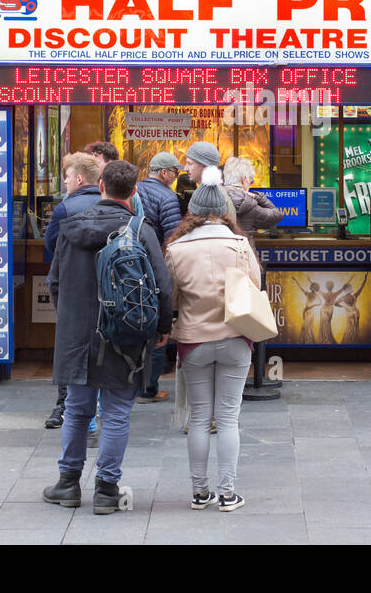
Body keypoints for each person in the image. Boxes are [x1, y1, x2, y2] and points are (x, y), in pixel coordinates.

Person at [43, 160, 173, 513]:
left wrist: (69, 319)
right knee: (115, 414)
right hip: (125, 335)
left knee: (76, 409)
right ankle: (106, 489)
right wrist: (162, 328)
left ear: (100, 185)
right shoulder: (141, 230)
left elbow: (54, 282)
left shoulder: (71, 229)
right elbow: (162, 287)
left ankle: (67, 484)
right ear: (134, 192)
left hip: (77, 336)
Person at [164, 166, 261, 512]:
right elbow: (255, 287)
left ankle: (199, 492)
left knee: (201, 418)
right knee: (229, 416)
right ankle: (227, 492)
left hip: (194, 341)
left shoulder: (176, 249)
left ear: (192, 210)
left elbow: (171, 299)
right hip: (236, 337)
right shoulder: (239, 244)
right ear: (223, 210)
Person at [42, 153, 104, 429]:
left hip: (72, 289)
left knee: (71, 349)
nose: (65, 182)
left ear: (79, 178)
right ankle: (98, 407)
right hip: (105, 290)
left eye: (67, 177)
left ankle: (68, 408)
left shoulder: (64, 210)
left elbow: (52, 246)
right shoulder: (112, 205)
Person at [135, 152, 185, 403]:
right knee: (156, 329)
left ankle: (130, 383)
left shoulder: (133, 190)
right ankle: (148, 388)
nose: (176, 178)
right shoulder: (167, 197)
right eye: (175, 173)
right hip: (153, 268)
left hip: (129, 268)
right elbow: (172, 239)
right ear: (164, 173)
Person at [221, 157, 283, 247]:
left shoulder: (215, 197)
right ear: (244, 179)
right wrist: (259, 197)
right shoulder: (249, 205)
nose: (250, 184)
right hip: (243, 255)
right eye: (250, 180)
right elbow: (276, 215)